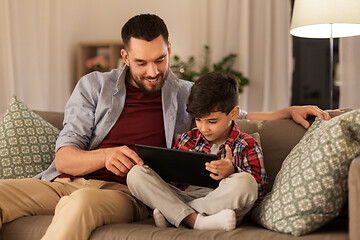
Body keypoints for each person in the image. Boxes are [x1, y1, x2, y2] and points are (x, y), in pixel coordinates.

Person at [0, 14, 330, 240]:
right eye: (142, 62)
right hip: (62, 182)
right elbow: (66, 160)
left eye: (160, 59)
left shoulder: (186, 94)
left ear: (169, 50)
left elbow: (237, 115)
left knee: (81, 204)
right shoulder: (93, 87)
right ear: (125, 56)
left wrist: (287, 111)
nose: (153, 71)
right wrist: (105, 156)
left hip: (123, 193)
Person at [127, 72, 267, 231]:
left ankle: (176, 216)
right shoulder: (187, 139)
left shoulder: (247, 144)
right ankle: (195, 220)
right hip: (183, 196)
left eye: (212, 121)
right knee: (136, 174)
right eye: (198, 120)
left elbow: (258, 189)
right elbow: (171, 183)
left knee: (246, 182)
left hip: (221, 201)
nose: (204, 128)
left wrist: (233, 171)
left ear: (233, 113)